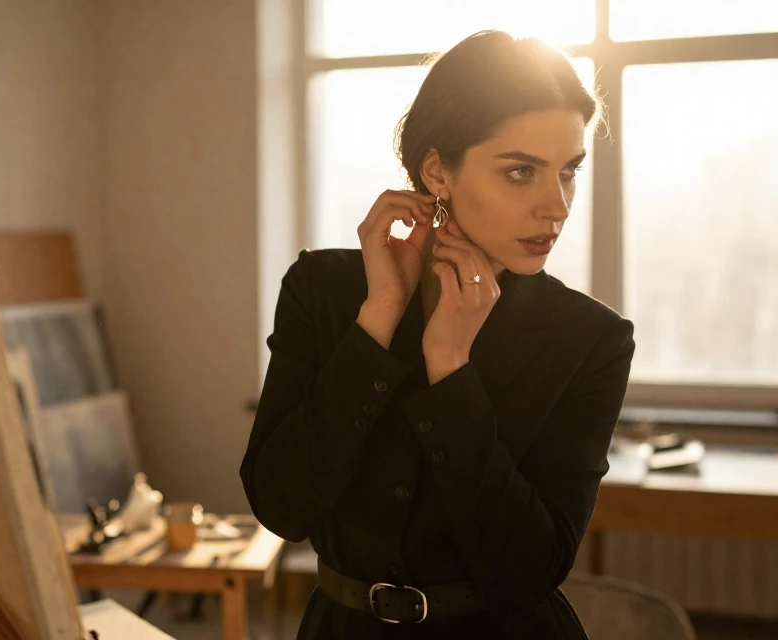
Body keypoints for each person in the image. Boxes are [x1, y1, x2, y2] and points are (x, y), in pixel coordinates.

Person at [240, 30, 635, 639]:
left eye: (568, 172)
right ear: (436, 171)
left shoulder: (590, 340)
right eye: (521, 172)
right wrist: (379, 317)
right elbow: (281, 507)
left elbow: (530, 571)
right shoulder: (322, 291)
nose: (556, 206)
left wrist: (450, 365)